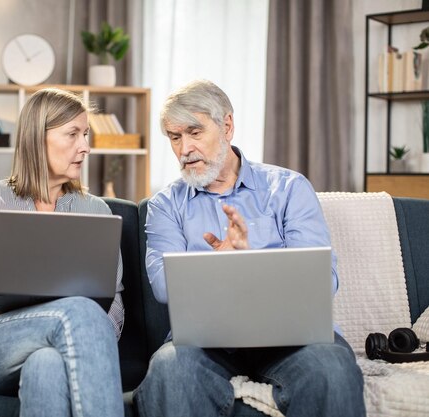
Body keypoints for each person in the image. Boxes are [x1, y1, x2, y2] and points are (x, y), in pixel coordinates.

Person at [133, 80, 365, 417]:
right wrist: (221, 266)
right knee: (171, 369)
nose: (184, 149)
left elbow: (322, 280)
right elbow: (164, 287)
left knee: (332, 369)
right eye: (175, 137)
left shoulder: (289, 189)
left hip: (293, 338)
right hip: (205, 345)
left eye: (194, 132)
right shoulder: (165, 205)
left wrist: (247, 261)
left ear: (227, 126)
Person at [0, 88, 125, 417]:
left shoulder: (96, 210)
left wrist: (87, 334)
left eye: (86, 134)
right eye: (73, 134)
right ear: (37, 138)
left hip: (55, 344)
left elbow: (113, 302)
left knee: (46, 365)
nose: (85, 147)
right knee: (78, 311)